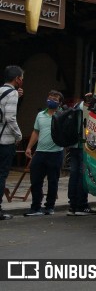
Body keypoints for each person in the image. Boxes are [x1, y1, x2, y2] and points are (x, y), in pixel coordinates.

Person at [23, 90, 65, 216]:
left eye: (55, 98)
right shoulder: (40, 115)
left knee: (53, 181)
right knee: (35, 180)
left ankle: (49, 206)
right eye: (50, 97)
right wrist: (29, 147)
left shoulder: (62, 115)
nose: (51, 99)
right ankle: (35, 207)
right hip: (40, 152)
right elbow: (36, 132)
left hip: (56, 153)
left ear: (60, 102)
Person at [66, 94, 96, 216]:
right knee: (82, 174)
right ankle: (81, 205)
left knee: (73, 175)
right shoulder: (86, 110)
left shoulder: (75, 107)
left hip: (73, 146)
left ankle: (72, 205)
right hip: (82, 146)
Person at [0, 66, 25, 221]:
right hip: (5, 140)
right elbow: (10, 118)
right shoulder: (13, 93)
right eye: (22, 78)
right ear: (17, 79)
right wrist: (19, 135)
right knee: (2, 174)